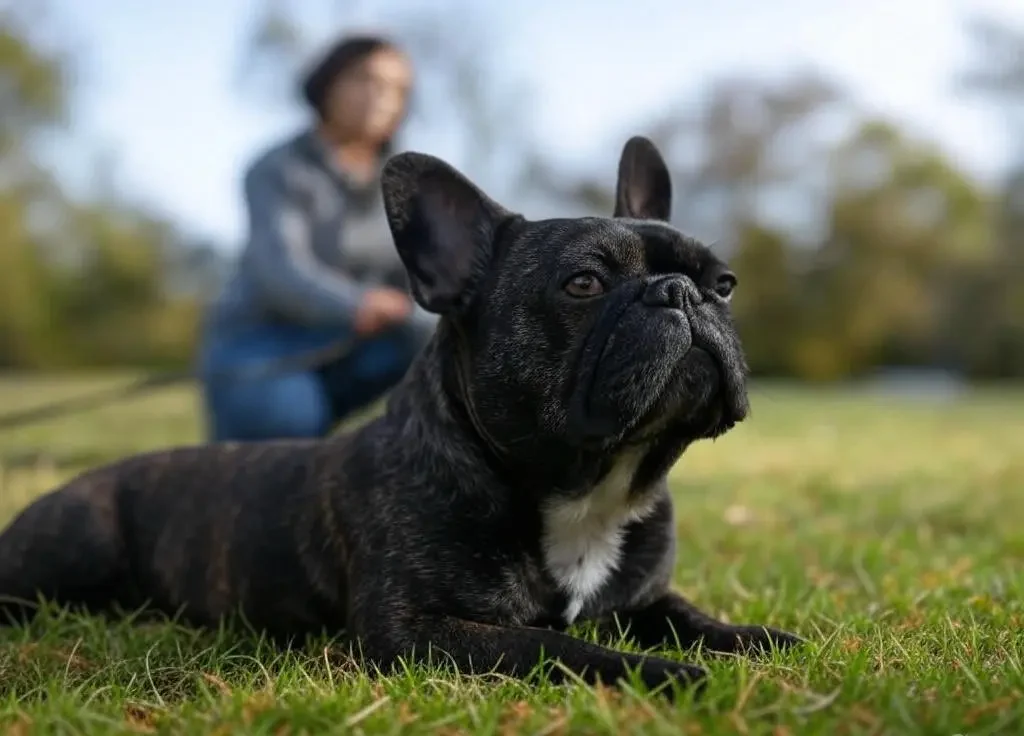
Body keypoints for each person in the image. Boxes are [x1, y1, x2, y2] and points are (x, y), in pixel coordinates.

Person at [196, 34, 437, 442]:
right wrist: (359, 303)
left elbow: (426, 270)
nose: (381, 97)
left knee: (452, 348)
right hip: (265, 345)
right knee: (282, 432)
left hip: (362, 345)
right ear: (327, 84)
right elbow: (280, 270)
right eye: (366, 79)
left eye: (398, 89)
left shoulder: (411, 180)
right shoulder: (276, 168)